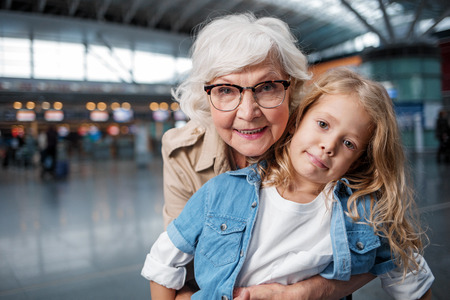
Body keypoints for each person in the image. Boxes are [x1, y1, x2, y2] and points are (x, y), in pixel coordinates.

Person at [142, 68, 434, 299]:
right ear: (296, 122)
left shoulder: (363, 214)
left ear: (357, 161)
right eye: (322, 124)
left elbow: (411, 277)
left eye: (348, 143)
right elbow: (162, 262)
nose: (328, 146)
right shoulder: (221, 193)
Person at [147, 13, 374, 299]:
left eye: (267, 87)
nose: (247, 112)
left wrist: (298, 294)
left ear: (290, 87)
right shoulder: (182, 149)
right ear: (206, 96)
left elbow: (383, 253)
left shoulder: (322, 143)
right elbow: (177, 268)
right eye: (226, 90)